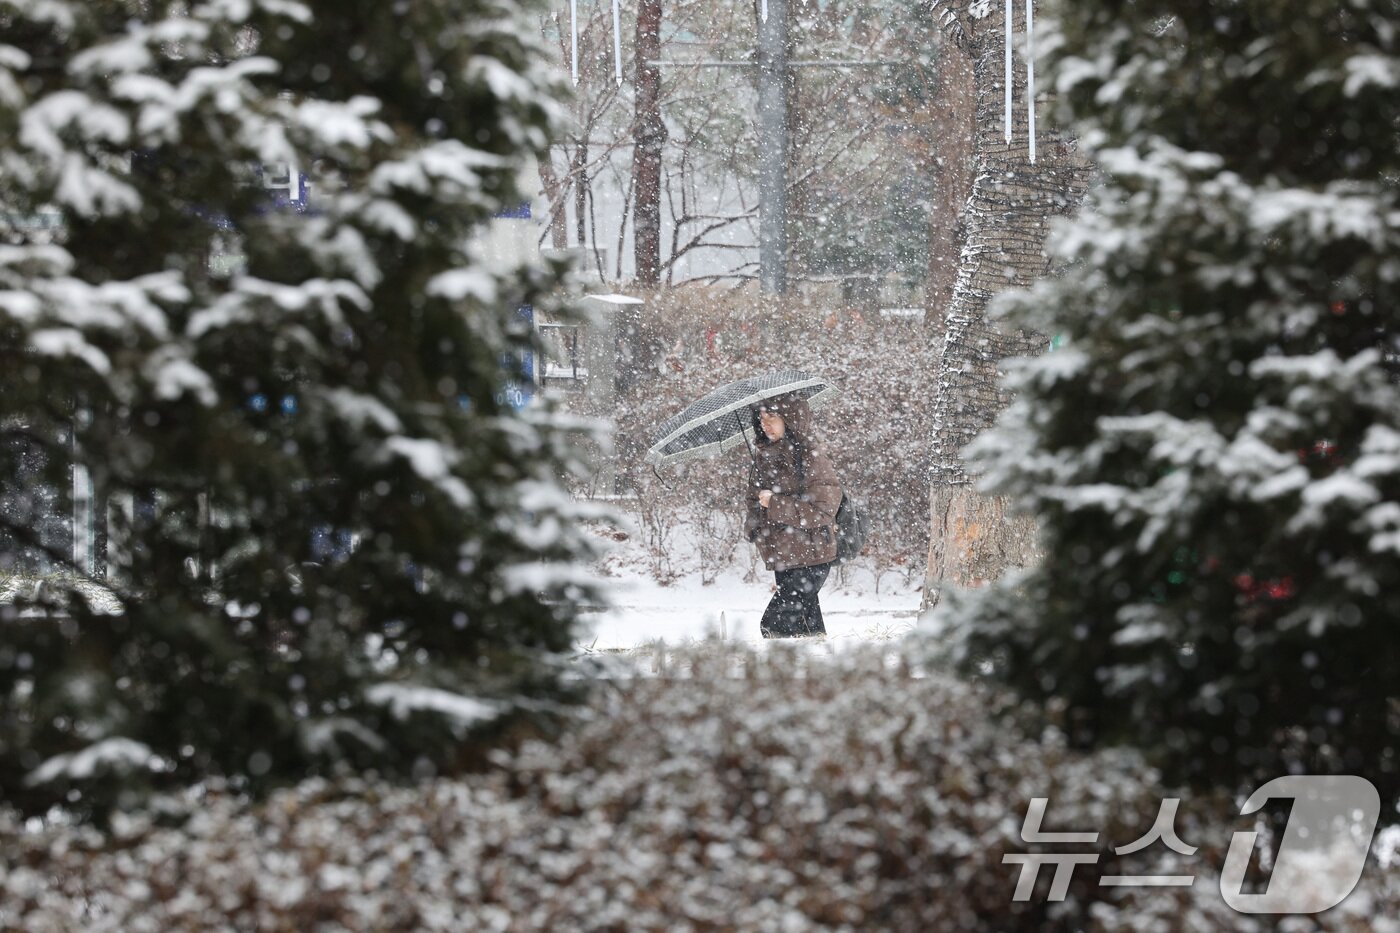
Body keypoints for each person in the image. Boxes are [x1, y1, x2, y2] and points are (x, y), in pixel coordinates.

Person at [742, 393, 843, 638]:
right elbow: (754, 501)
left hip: (812, 555)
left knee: (773, 625)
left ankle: (787, 659)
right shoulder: (763, 458)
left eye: (772, 416)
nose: (765, 423)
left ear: (790, 418)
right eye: (761, 417)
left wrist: (774, 503)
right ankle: (816, 659)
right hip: (784, 556)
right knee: (806, 630)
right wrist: (755, 523)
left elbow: (822, 509)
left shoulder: (809, 456)